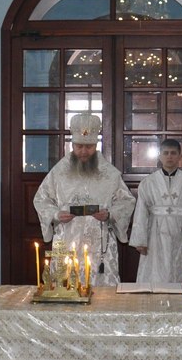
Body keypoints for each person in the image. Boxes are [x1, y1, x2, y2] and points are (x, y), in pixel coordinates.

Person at [33, 113, 136, 287]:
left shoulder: (109, 174)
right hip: (67, 238)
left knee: (101, 292)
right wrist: (56, 214)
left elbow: (126, 201)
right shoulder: (58, 172)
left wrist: (109, 214)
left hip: (99, 243)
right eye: (79, 146)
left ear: (96, 145)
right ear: (72, 145)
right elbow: (41, 199)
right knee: (66, 287)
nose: (83, 151)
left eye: (89, 147)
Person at [128, 139, 182, 283]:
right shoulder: (148, 182)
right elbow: (141, 211)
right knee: (155, 271)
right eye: (166, 153)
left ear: (180, 156)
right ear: (160, 156)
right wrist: (140, 240)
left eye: (173, 153)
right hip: (155, 234)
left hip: (181, 233)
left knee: (180, 270)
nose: (169, 157)